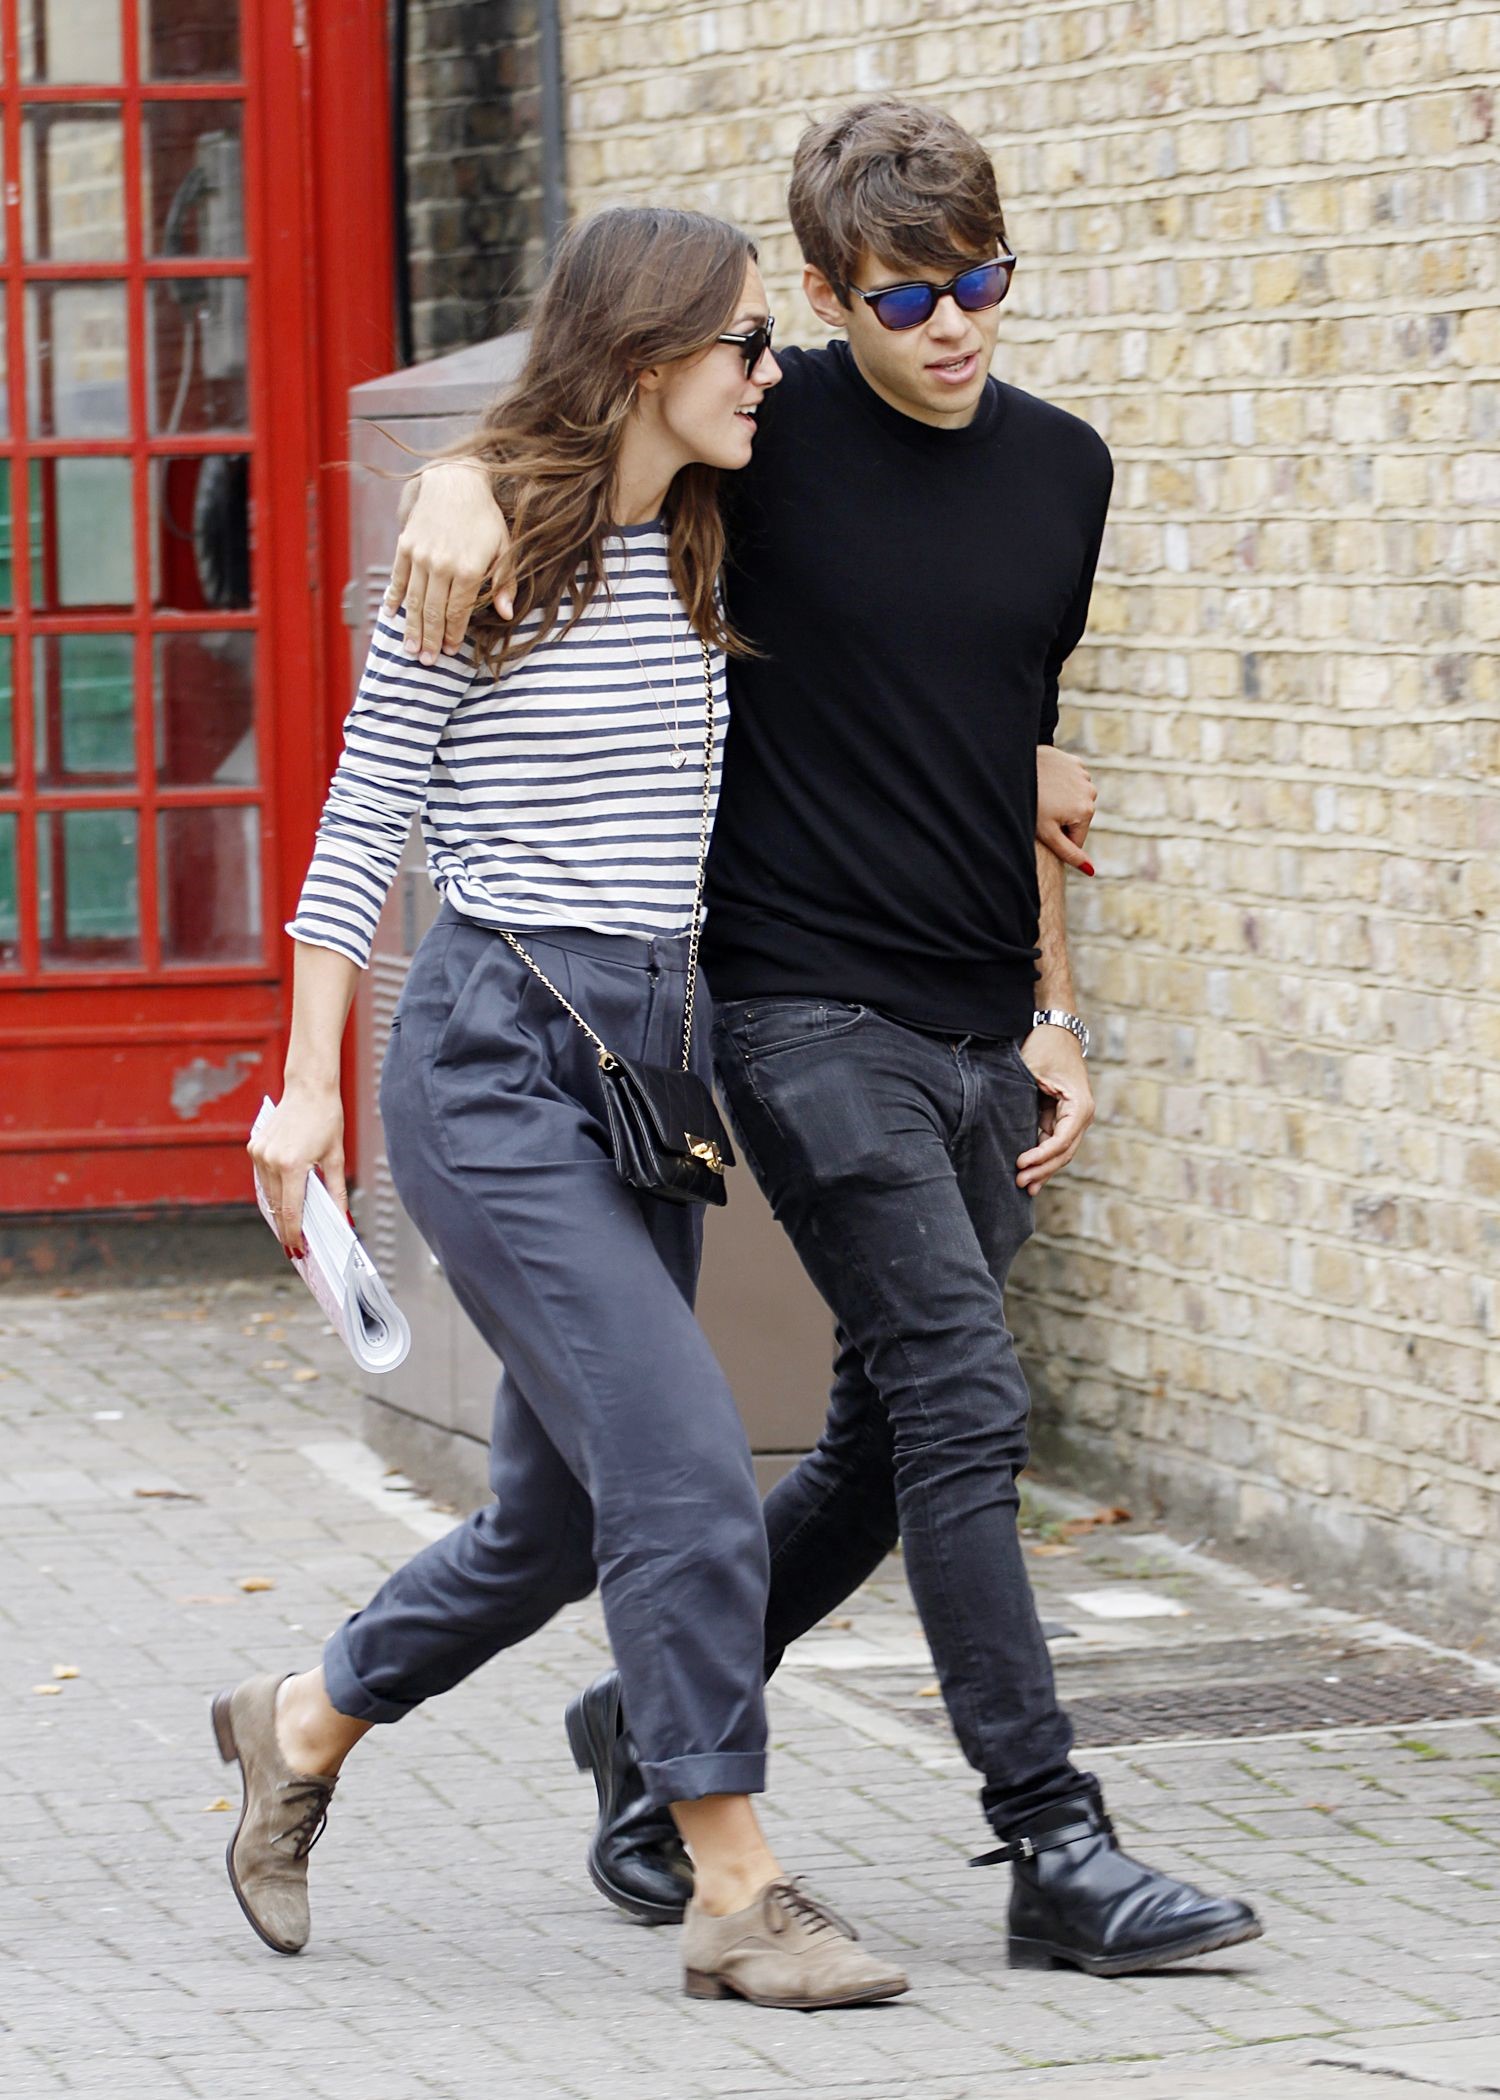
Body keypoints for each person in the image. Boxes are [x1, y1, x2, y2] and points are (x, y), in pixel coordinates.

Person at [394, 102, 1263, 1980]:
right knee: (965, 1399)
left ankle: (640, 1726)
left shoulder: (1069, 470)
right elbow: (578, 430)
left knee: (885, 1431)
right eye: (911, 295)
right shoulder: (762, 457)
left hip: (975, 1023)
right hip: (795, 1014)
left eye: (986, 281)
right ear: (821, 298)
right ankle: (1053, 1843)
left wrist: (1053, 1011)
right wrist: (451, 473)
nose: (957, 324)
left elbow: (1019, 754)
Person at [215, 204, 910, 2013]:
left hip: (645, 1064)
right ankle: (737, 1889)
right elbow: (361, 831)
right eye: (746, 344)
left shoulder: (700, 532)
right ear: (645, 353)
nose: (773, 375)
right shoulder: (476, 556)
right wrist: (303, 1097)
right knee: (683, 1464)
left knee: (546, 1523)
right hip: (496, 1061)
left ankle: (297, 1722)